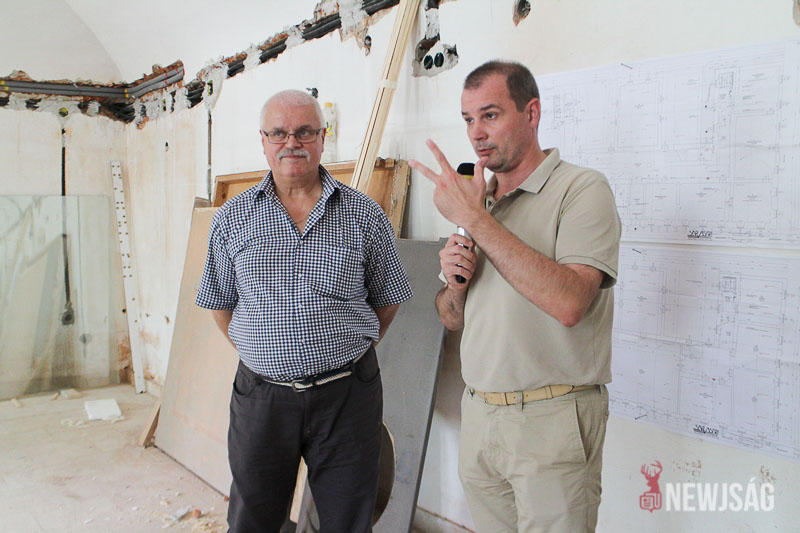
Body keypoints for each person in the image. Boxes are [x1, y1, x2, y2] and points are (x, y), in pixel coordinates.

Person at [409, 61, 621, 533]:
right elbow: (451, 318)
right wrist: (455, 285)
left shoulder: (581, 189)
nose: (476, 133)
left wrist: (476, 219)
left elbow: (570, 304)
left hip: (552, 420)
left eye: (490, 115)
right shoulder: (478, 203)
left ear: (531, 113)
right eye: (468, 119)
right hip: (480, 414)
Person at [196, 89, 412, 533]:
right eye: (278, 133)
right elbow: (220, 303)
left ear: (322, 138)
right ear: (263, 140)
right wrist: (263, 352)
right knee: (253, 518)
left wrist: (346, 347)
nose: (291, 142)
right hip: (262, 398)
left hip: (347, 396)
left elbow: (387, 299)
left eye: (304, 132)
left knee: (348, 520)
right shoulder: (232, 218)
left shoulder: (364, 215)